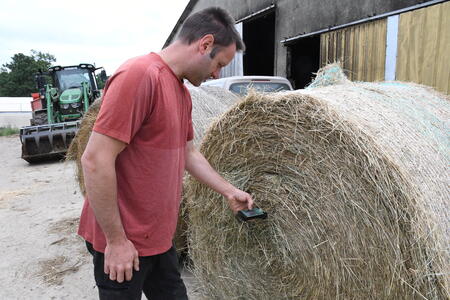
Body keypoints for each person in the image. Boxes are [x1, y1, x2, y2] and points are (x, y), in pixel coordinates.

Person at [78, 6, 253, 300]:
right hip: (125, 242)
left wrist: (229, 191)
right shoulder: (140, 76)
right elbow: (95, 160)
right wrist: (117, 241)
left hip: (158, 239)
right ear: (205, 44)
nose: (217, 74)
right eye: (219, 64)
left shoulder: (181, 92)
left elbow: (188, 154)